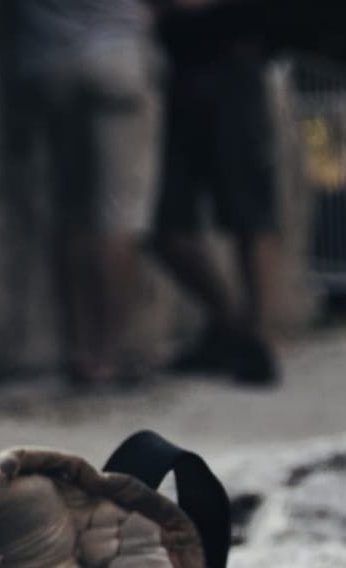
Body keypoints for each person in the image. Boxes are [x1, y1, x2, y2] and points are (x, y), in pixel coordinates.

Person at [0, 0, 161, 388]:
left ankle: (79, 353)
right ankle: (109, 356)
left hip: (49, 64)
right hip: (115, 57)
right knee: (118, 214)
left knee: (71, 213)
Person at [150, 0, 283, 384]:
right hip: (177, 72)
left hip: (233, 67)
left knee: (250, 212)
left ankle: (258, 340)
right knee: (166, 227)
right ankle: (232, 326)